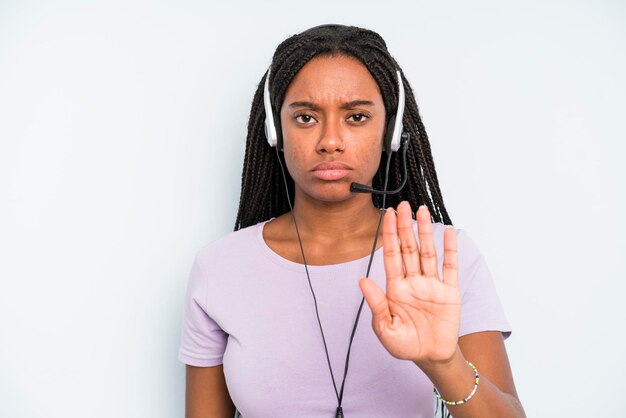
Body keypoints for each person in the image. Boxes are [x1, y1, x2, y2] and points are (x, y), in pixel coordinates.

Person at [179, 24, 526, 418]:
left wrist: (444, 364)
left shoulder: (446, 257)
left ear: (390, 133)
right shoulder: (219, 268)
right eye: (306, 118)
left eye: (356, 116)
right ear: (275, 131)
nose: (330, 141)